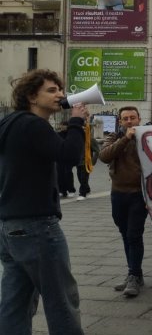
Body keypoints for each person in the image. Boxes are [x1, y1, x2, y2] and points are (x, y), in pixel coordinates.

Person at [0, 69, 88, 334]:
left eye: (60, 89)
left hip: (9, 225)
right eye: (51, 90)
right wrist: (76, 122)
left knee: (15, 299)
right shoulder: (33, 124)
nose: (60, 94)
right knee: (61, 298)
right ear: (30, 96)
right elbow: (70, 155)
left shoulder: (8, 123)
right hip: (36, 226)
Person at [99, 106, 148, 297]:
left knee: (134, 234)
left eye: (133, 118)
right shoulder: (114, 138)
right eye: (125, 118)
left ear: (139, 119)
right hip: (118, 193)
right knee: (125, 234)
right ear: (120, 122)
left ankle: (134, 276)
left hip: (139, 194)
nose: (129, 121)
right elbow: (104, 156)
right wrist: (125, 138)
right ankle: (135, 273)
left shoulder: (146, 138)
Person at [76, 127, 100, 201]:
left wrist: (93, 161)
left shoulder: (91, 140)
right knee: (80, 177)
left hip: (86, 162)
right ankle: (87, 189)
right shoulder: (78, 139)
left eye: (85, 130)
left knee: (84, 178)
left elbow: (97, 151)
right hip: (78, 162)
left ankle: (82, 193)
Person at [57, 121, 77, 198]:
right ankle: (62, 190)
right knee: (59, 174)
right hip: (59, 158)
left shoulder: (71, 135)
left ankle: (71, 190)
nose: (63, 127)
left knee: (68, 174)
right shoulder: (58, 134)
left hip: (68, 157)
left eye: (64, 125)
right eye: (62, 125)